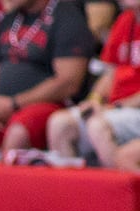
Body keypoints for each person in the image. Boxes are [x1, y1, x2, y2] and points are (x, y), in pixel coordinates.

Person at [0, 0, 94, 160]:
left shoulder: (67, 17)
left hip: (47, 107)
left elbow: (68, 82)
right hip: (0, 107)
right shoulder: (9, 19)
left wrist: (14, 103)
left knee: (17, 133)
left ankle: (2, 183)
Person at [46, 0, 140, 168]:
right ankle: (72, 192)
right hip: (117, 109)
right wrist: (94, 100)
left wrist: (116, 107)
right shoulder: (125, 20)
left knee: (97, 126)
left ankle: (115, 192)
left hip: (132, 108)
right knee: (60, 124)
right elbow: (110, 74)